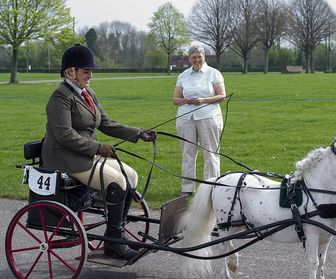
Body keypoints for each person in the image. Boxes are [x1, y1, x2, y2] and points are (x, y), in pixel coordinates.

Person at [41, 44, 156, 259]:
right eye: (86, 71)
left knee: (131, 175)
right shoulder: (60, 97)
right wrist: (97, 147)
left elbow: (105, 122)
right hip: (64, 158)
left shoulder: (88, 93)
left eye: (90, 71)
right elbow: (65, 135)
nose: (90, 76)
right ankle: (114, 241)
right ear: (71, 72)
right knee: (117, 181)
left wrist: (138, 133)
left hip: (84, 154)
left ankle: (116, 231)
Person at [172, 45, 226, 195]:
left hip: (208, 117)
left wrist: (202, 100)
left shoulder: (214, 73)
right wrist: (186, 100)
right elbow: (175, 99)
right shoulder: (183, 75)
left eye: (199, 56)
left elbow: (221, 96)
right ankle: (187, 189)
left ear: (204, 56)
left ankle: (210, 187)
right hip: (185, 118)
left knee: (210, 153)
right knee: (187, 153)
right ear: (189, 59)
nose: (196, 59)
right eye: (193, 57)